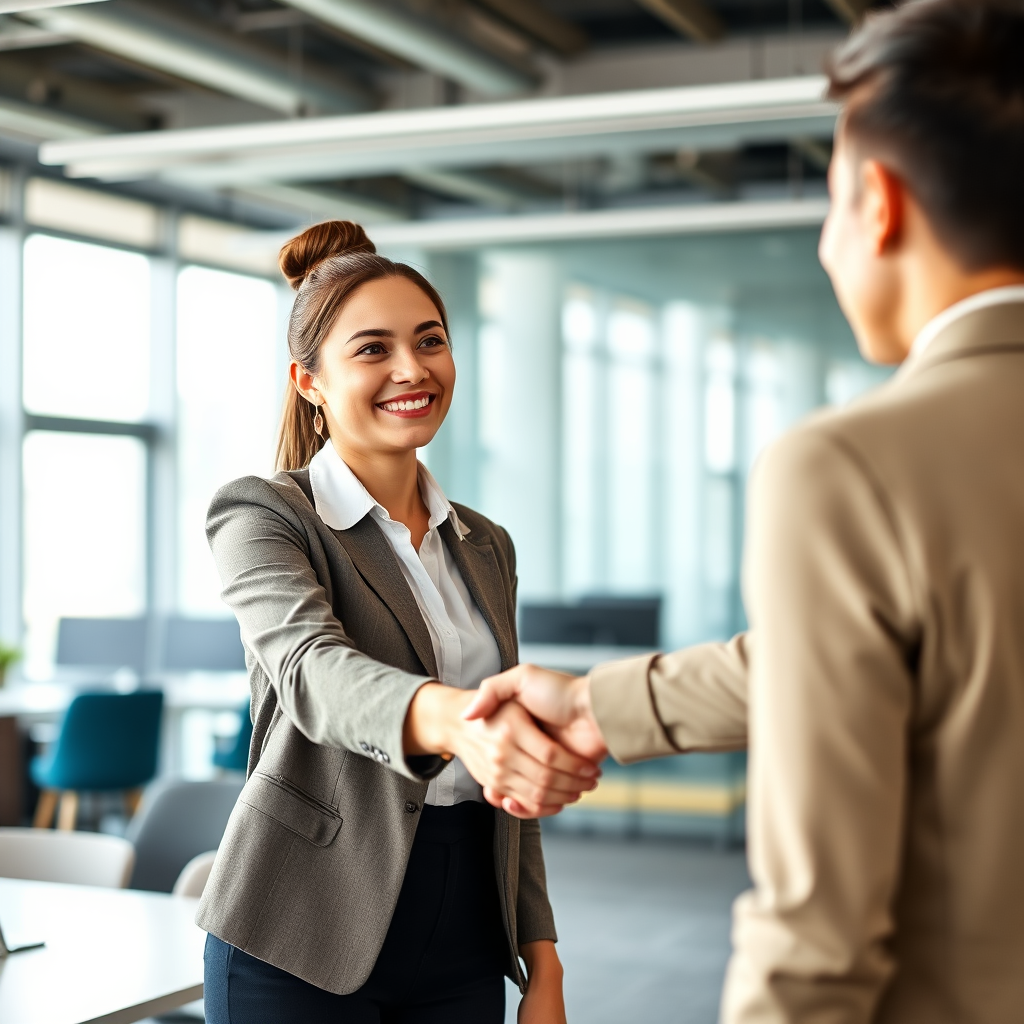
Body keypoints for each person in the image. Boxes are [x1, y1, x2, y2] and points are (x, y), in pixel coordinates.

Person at [467, 2, 1024, 1021]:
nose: (823, 244)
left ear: (879, 205)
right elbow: (950, 642)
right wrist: (596, 703)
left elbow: (818, 925)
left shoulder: (852, 466)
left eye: (826, 202)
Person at [198, 221, 596, 1023]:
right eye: (372, 349)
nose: (412, 370)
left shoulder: (486, 543)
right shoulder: (264, 514)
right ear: (309, 382)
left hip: (467, 929)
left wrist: (543, 959)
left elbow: (507, 771)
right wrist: (460, 721)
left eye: (431, 341)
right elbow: (314, 672)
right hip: (299, 921)